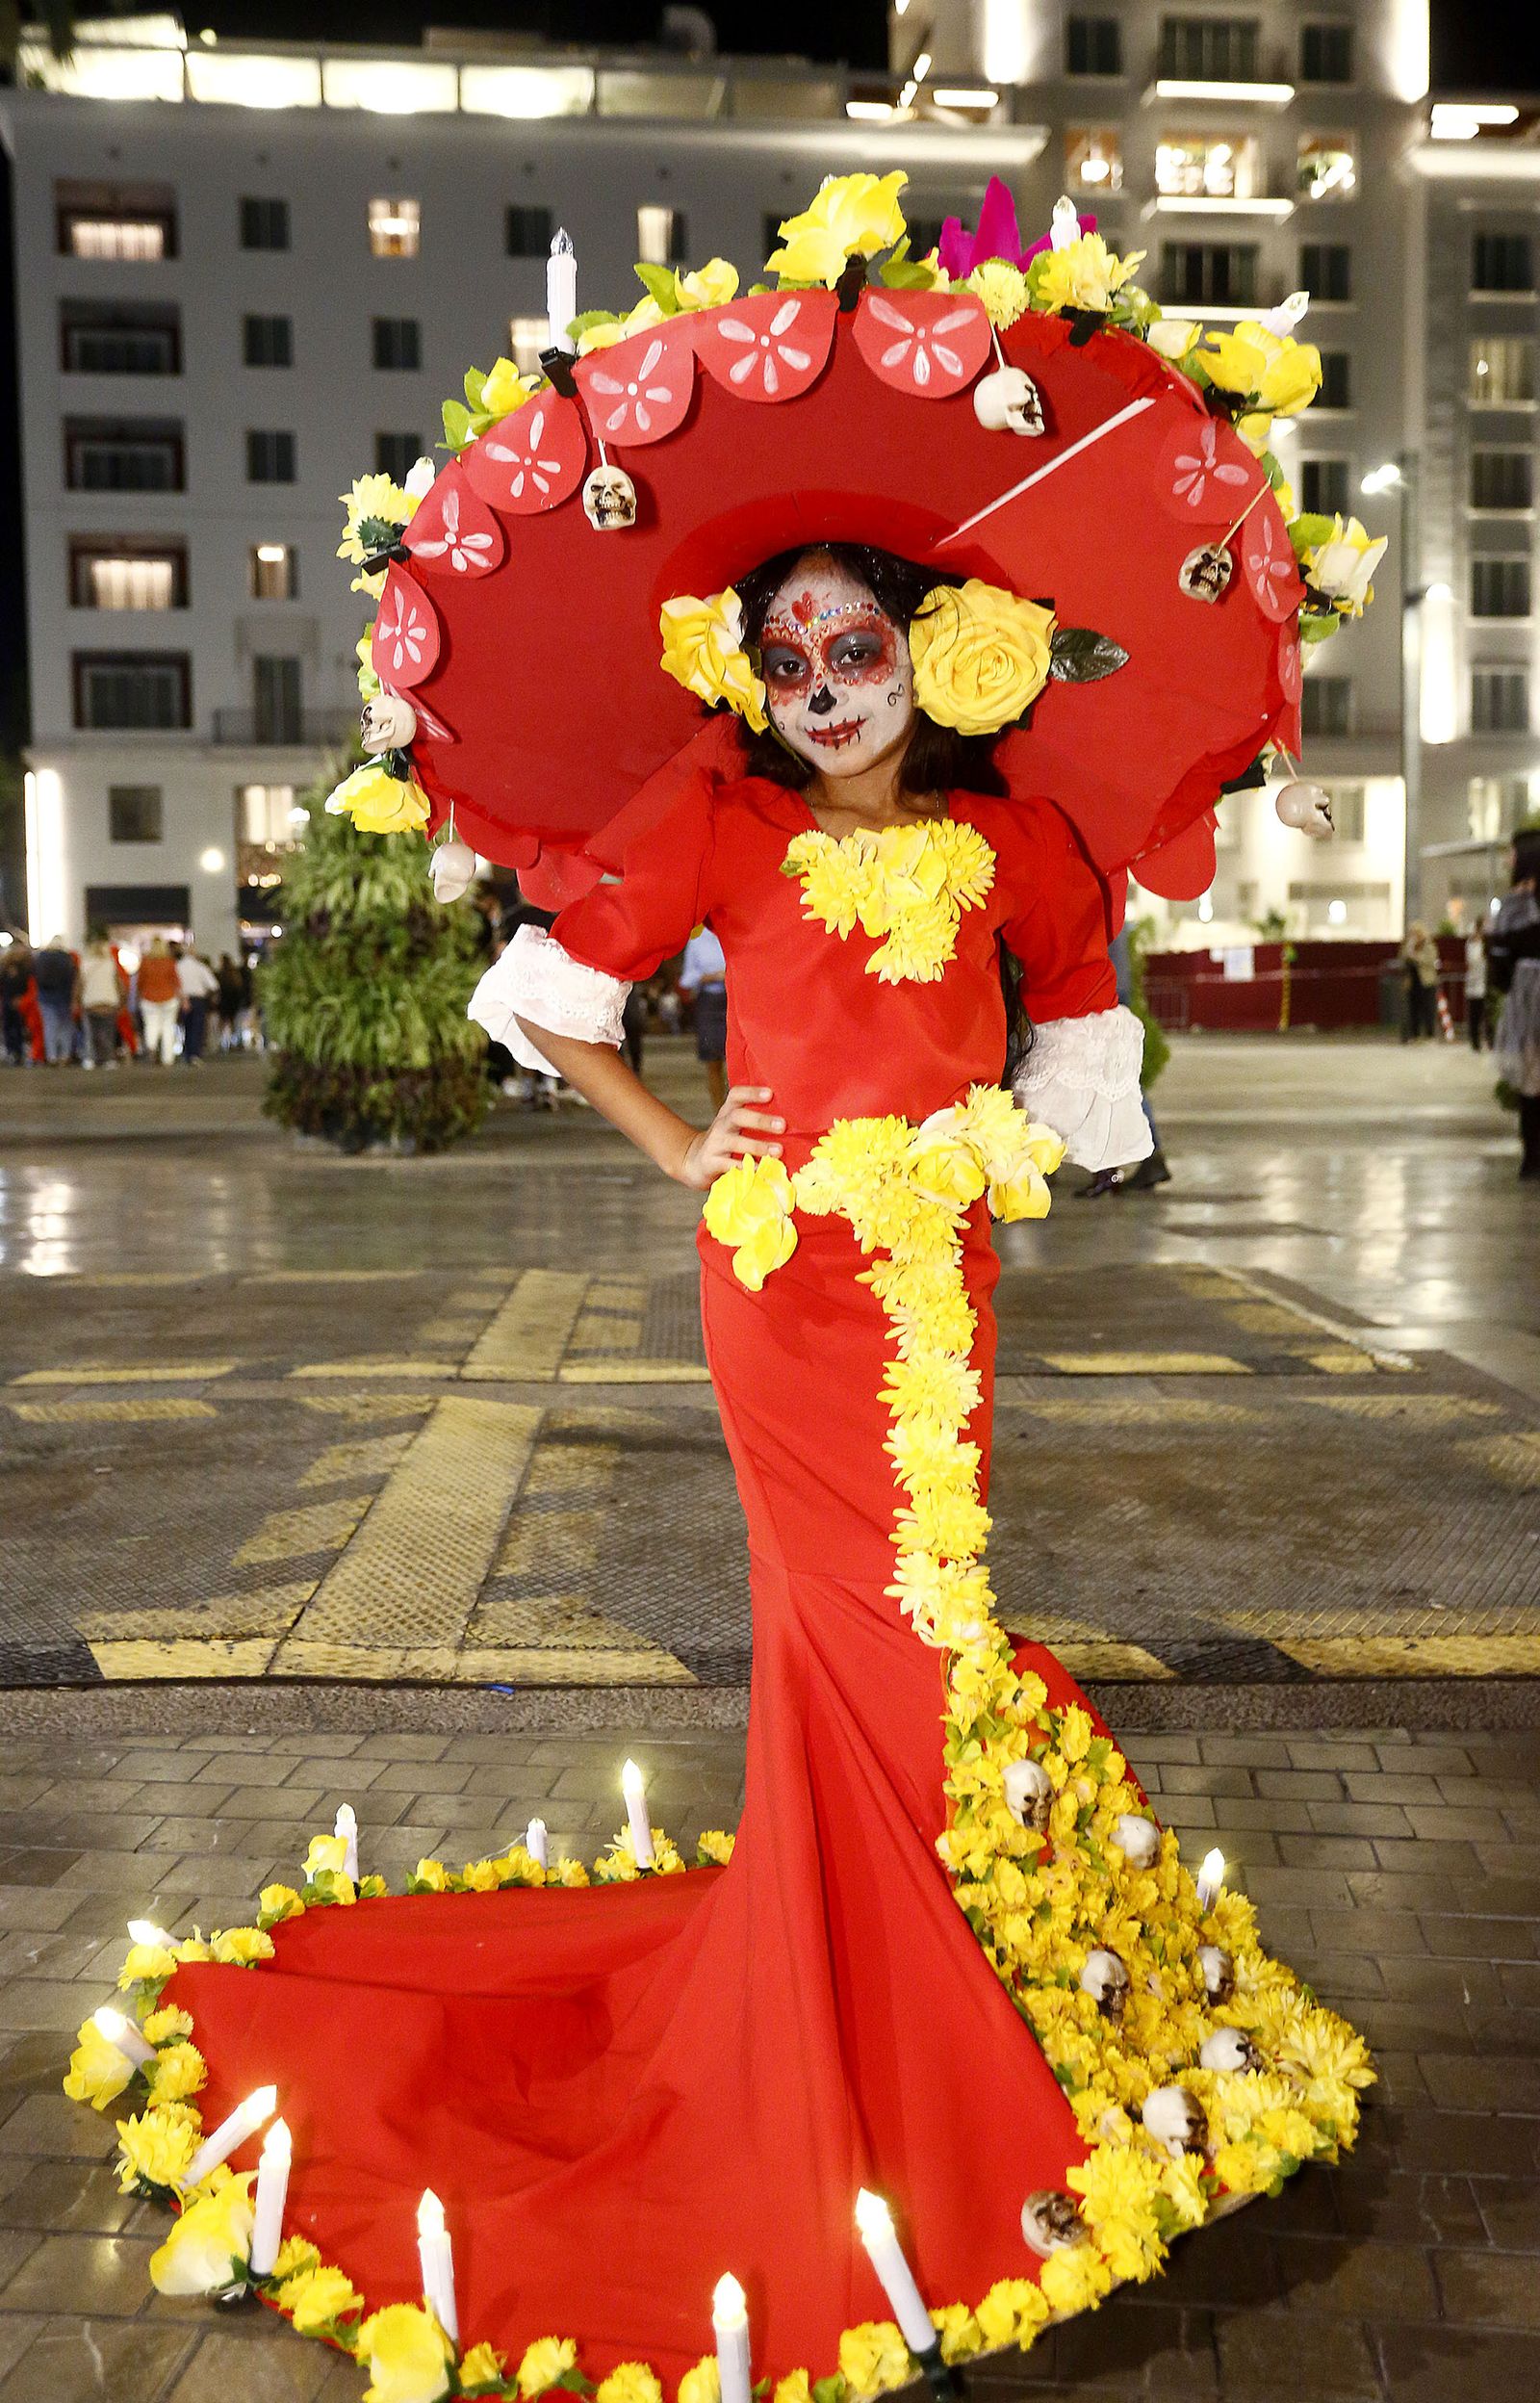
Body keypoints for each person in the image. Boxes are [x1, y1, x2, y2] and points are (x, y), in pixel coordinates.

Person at [79, 194, 1372, 2395]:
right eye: (782, 655)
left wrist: (1026, 1135)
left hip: (939, 1266)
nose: (820, 684)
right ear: (747, 676)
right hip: (782, 1289)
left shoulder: (1028, 837)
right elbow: (549, 996)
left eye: (852, 641)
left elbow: (1072, 1034)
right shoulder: (713, 813)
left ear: (928, 640)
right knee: (851, 1628)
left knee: (931, 1622)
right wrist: (689, 1144)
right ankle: (876, 2033)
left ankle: (914, 1969)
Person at [1078, 922, 1171, 1197]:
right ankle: (1119, 1166)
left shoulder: (1096, 895)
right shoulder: (1111, 894)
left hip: (1105, 993)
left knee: (1111, 1080)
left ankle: (1111, 1168)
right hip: (1115, 989)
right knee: (1118, 1080)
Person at [1489, 826, 1540, 1180]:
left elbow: (1499, 955)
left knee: (1531, 1077)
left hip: (1526, 994)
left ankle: (1533, 1155)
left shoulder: (1516, 905)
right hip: (1525, 993)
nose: (1508, 859)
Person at [678, 922, 729, 1111]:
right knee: (713, 1061)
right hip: (709, 1000)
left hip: (733, 999)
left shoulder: (733, 932)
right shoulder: (697, 940)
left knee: (736, 1061)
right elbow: (687, 978)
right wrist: (711, 976)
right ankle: (719, 1111)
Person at [78, 931, 124, 1069]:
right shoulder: (110, 963)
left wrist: (77, 999)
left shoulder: (85, 964)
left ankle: (90, 1058)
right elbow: (118, 983)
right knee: (107, 1032)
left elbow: (80, 983)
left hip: (90, 1001)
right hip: (109, 1001)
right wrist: (122, 998)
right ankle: (109, 1059)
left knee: (90, 1033)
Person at [31, 935, 77, 1064]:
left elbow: (35, 976)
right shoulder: (67, 958)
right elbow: (72, 977)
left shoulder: (41, 957)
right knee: (65, 1027)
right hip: (64, 997)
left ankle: (52, 1056)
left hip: (45, 996)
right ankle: (65, 1054)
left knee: (49, 1026)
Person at [136, 936, 182, 1065]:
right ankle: (168, 1058)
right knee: (168, 1028)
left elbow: (140, 982)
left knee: (151, 1025)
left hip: (149, 998)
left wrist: (138, 995)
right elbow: (176, 981)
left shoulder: (145, 962)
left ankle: (151, 1048)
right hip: (169, 998)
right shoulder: (169, 962)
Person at [176, 945, 219, 1067]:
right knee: (197, 1027)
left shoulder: (178, 966)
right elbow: (213, 985)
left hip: (183, 999)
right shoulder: (200, 967)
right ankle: (194, 1054)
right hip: (198, 1000)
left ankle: (187, 1052)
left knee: (186, 1027)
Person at [1399, 919, 1439, 1041]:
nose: (1414, 936)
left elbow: (1430, 961)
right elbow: (1402, 958)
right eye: (1412, 933)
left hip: (1426, 981)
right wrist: (1408, 949)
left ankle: (1429, 1034)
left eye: (1416, 933)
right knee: (1413, 1008)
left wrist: (1416, 956)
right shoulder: (1408, 946)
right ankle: (1414, 1034)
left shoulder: (1429, 945)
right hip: (1413, 982)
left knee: (1428, 1008)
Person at [1464, 924, 1490, 1050]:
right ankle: (1475, 1041)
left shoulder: (1487, 946)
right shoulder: (1471, 946)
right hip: (1474, 984)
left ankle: (1489, 1039)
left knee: (1485, 1014)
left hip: (1485, 984)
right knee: (1474, 1014)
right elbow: (1472, 961)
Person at [216, 953, 245, 1049]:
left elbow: (218, 989)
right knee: (233, 1023)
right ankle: (234, 1041)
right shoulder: (235, 975)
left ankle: (221, 1042)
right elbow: (239, 990)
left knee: (223, 1023)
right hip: (233, 1003)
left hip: (224, 1002)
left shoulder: (221, 975)